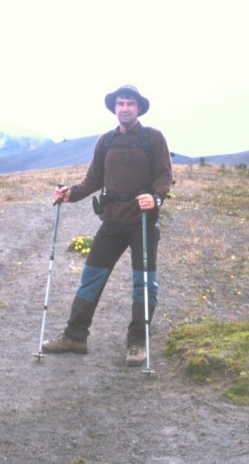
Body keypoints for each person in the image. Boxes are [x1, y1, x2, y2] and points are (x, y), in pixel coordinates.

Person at [43, 84, 173, 366]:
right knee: (91, 276)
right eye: (120, 104)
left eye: (130, 104)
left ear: (139, 109)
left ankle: (138, 342)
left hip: (143, 222)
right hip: (112, 221)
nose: (125, 108)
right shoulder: (105, 141)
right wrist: (70, 194)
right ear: (115, 108)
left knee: (144, 283)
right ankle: (75, 336)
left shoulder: (154, 138)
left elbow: (165, 176)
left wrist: (156, 198)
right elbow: (92, 181)